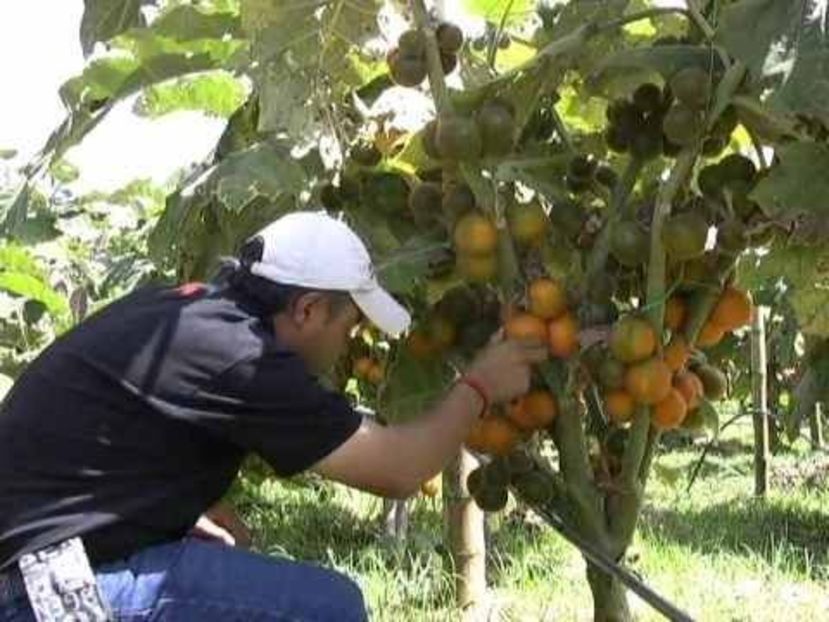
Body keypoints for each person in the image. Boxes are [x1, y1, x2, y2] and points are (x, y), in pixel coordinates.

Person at [0, 211, 547, 621]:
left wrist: (180, 511)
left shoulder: (188, 311)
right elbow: (399, 471)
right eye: (350, 324)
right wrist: (479, 385)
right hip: (38, 591)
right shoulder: (247, 358)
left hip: (32, 563)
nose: (350, 341)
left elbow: (112, 434)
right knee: (330, 609)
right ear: (308, 309)